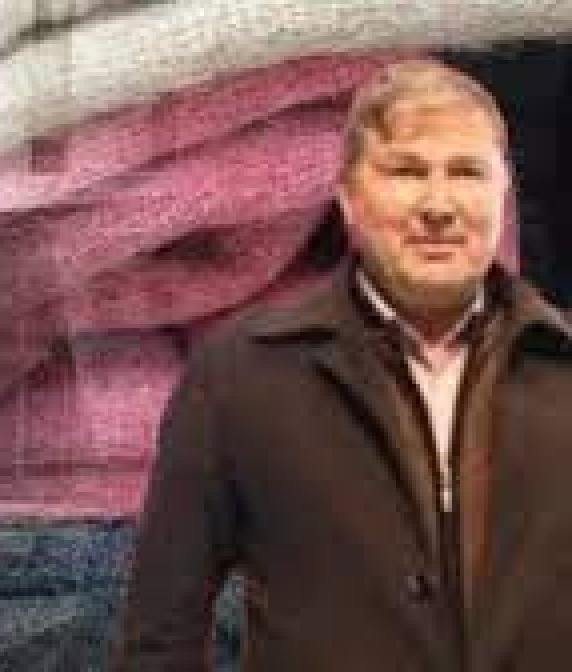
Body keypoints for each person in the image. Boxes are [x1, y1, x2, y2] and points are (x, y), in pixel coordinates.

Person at [111, 59, 572, 671]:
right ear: (348, 198)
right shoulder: (240, 374)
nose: (439, 205)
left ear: (503, 194)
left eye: (466, 172)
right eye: (406, 172)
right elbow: (158, 641)